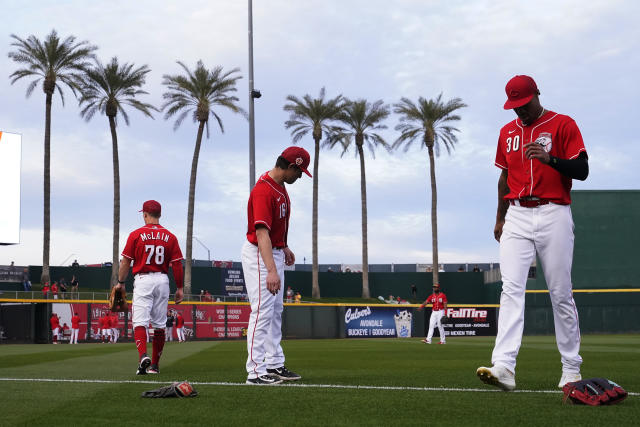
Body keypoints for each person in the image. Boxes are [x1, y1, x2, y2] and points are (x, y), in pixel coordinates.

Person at [477, 75, 588, 392]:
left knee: (560, 293)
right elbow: (504, 177)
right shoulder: (507, 132)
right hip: (517, 214)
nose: (520, 112)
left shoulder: (562, 124)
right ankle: (504, 367)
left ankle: (570, 368)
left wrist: (550, 159)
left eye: (524, 104)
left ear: (536, 95)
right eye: (514, 107)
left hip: (554, 211)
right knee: (510, 289)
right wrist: (500, 217)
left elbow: (582, 170)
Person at [241, 146, 309, 385]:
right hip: (261, 254)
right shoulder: (263, 191)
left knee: (275, 311)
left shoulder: (279, 188)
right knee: (261, 311)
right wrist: (271, 269)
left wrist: (284, 246)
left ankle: (274, 363)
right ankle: (255, 371)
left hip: (275, 250)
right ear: (290, 167)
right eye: (299, 172)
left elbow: (275, 230)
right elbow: (261, 234)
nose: (300, 177)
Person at [116, 200, 184, 375]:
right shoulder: (171, 237)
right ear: (159, 215)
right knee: (160, 325)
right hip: (162, 280)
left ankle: (142, 356)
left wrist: (121, 282)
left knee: (140, 322)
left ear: (145, 214)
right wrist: (180, 288)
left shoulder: (136, 234)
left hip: (144, 279)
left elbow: (125, 262)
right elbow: (177, 265)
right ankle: (154, 366)